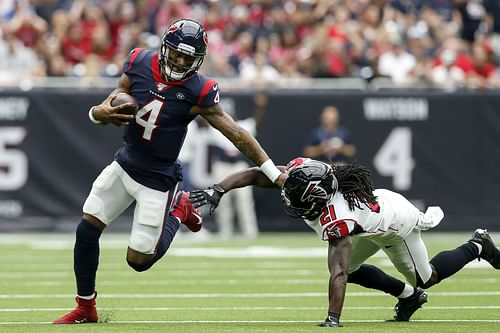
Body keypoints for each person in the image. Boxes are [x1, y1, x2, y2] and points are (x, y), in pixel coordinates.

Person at [53, 18, 285, 324]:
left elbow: (237, 134)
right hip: (125, 163)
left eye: (187, 59)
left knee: (138, 261)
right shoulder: (138, 61)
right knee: (87, 228)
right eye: (175, 54)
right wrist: (99, 113)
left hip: (158, 180)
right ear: (164, 48)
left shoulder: (199, 90)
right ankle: (86, 308)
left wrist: (272, 172)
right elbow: (107, 104)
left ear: (198, 60)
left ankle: (178, 209)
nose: (178, 62)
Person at [190, 157, 500, 327]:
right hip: (369, 221)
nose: (289, 201)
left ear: (316, 199)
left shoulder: (337, 217)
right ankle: (408, 296)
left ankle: (478, 244)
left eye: (296, 200)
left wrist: (333, 319)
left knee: (426, 277)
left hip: (396, 223)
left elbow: (336, 272)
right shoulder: (306, 178)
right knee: (352, 269)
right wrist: (219, 189)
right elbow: (260, 174)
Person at [208, 93, 267, 239]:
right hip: (222, 165)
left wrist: (260, 107)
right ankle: (225, 231)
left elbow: (255, 121)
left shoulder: (243, 125)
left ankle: (249, 231)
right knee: (222, 200)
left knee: (244, 200)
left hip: (239, 166)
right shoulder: (215, 127)